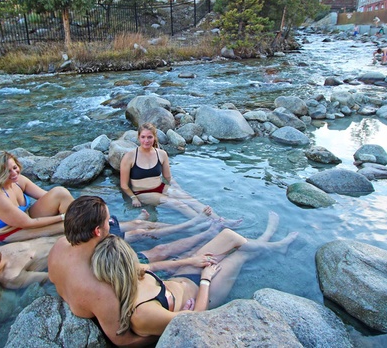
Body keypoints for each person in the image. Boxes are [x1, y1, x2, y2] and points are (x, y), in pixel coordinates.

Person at [49, 196, 224, 346]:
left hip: (115, 268)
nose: (111, 223)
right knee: (165, 255)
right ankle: (207, 234)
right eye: (108, 221)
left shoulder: (60, 246)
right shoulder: (100, 287)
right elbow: (123, 341)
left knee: (162, 253)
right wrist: (166, 324)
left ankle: (203, 232)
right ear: (97, 231)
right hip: (147, 302)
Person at [92, 212, 297, 338]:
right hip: (204, 296)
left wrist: (189, 261)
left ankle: (270, 243)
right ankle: (273, 243)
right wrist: (206, 278)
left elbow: (153, 269)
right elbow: (196, 319)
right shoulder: (142, 313)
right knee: (239, 255)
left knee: (228, 237)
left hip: (186, 276)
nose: (136, 261)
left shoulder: (132, 273)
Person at [0, 206, 221, 289]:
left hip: (80, 237)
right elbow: (55, 278)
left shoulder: (1, 249)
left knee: (140, 231)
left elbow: (34, 231)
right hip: (90, 251)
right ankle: (205, 230)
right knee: (156, 249)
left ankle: (196, 226)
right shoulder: (13, 276)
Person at [120, 123, 225, 220]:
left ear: (155, 138)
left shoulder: (161, 154)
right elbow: (124, 185)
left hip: (160, 187)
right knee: (178, 204)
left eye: (149, 137)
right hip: (142, 192)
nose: (146, 141)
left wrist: (179, 189)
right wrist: (133, 198)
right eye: (143, 137)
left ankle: (220, 220)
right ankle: (206, 223)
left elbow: (168, 177)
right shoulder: (130, 156)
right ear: (138, 137)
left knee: (190, 199)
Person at [0, 150, 74, 242]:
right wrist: (63, 217)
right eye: (8, 171)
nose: (14, 173)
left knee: (60, 193)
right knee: (68, 225)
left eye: (15, 168)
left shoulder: (19, 181)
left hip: (26, 217)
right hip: (10, 231)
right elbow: (28, 223)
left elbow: (48, 196)